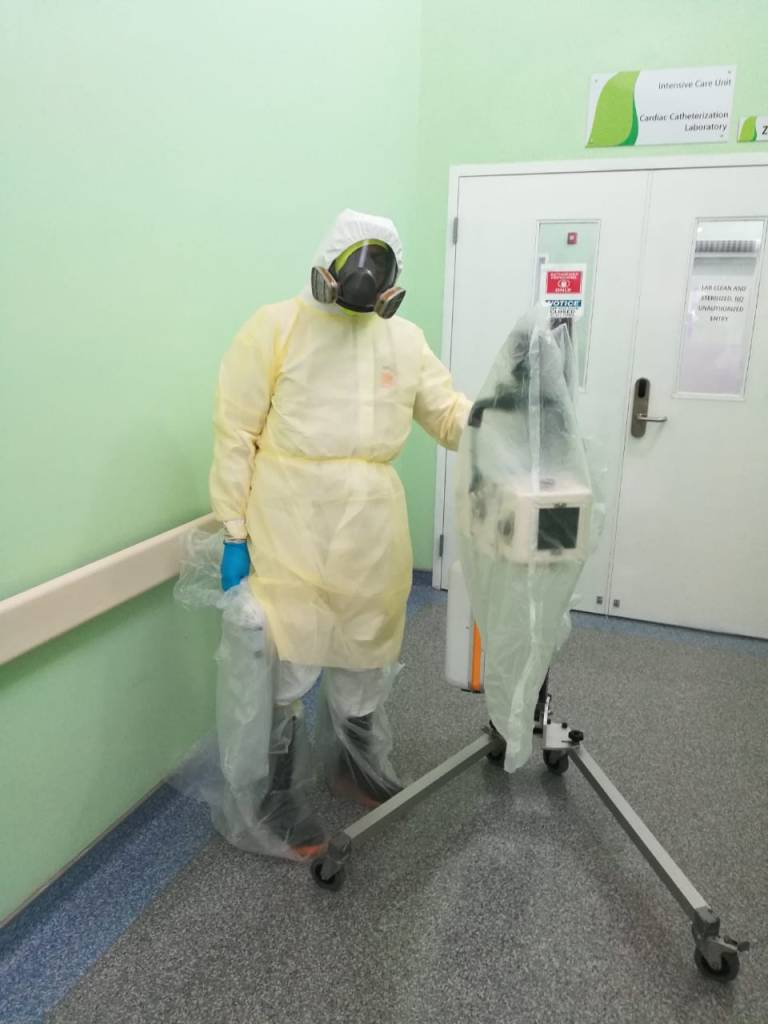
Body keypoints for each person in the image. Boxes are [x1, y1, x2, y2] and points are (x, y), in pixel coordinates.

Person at [208, 208, 471, 858]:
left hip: (371, 525)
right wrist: (234, 531)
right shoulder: (276, 327)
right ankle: (273, 798)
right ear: (327, 265)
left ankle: (353, 766)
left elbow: (446, 413)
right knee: (290, 657)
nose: (364, 278)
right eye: (356, 261)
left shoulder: (404, 340)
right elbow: (236, 433)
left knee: (365, 649)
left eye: (380, 266)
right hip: (289, 519)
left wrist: (501, 420)